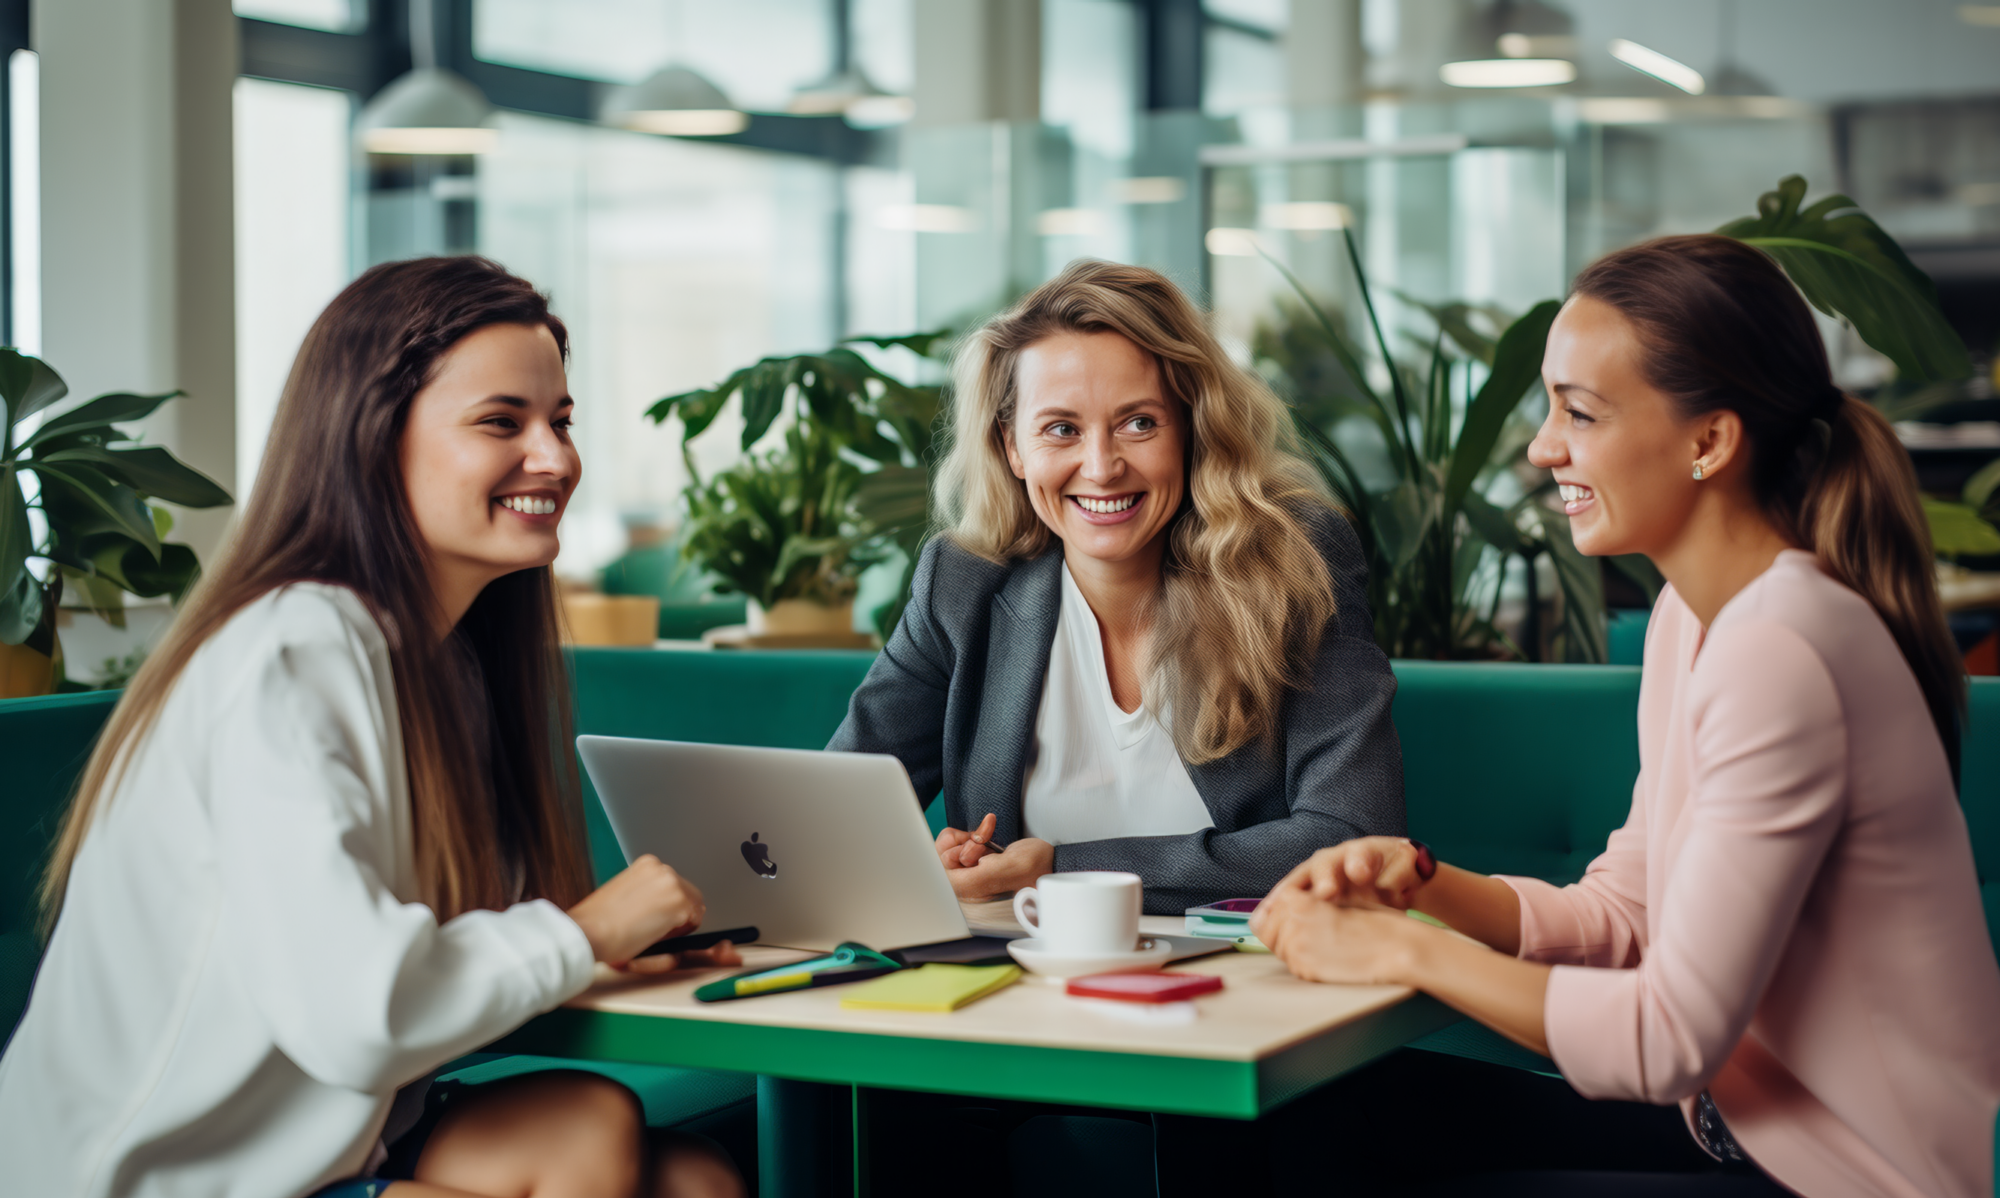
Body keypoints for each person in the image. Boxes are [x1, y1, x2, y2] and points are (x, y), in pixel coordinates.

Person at [1252, 235, 2000, 1196]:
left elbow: (1667, 1040)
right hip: (1731, 1133)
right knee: (1328, 1115)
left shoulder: (1784, 648)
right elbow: (1626, 913)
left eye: (1581, 411)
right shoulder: (1696, 616)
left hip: (1849, 1175)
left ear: (1709, 442)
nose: (1541, 445)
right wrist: (1425, 887)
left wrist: (1399, 952)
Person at [0, 257, 746, 1198]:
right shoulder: (294, 647)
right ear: (372, 438)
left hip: (327, 1139)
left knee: (685, 1176)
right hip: (154, 1176)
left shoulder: (442, 666)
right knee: (595, 1141)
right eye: (500, 422)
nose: (555, 459)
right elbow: (354, 1012)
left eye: (560, 421)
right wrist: (581, 933)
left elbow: (410, 969)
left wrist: (598, 950)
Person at [829, 259, 1404, 913]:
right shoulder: (963, 588)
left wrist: (1062, 868)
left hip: (1246, 977)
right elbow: (835, 817)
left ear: (1193, 428)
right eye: (1061, 429)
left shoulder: (1295, 565)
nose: (1101, 468)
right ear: (1012, 447)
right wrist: (919, 863)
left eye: (1139, 423)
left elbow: (1359, 838)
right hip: (1022, 984)